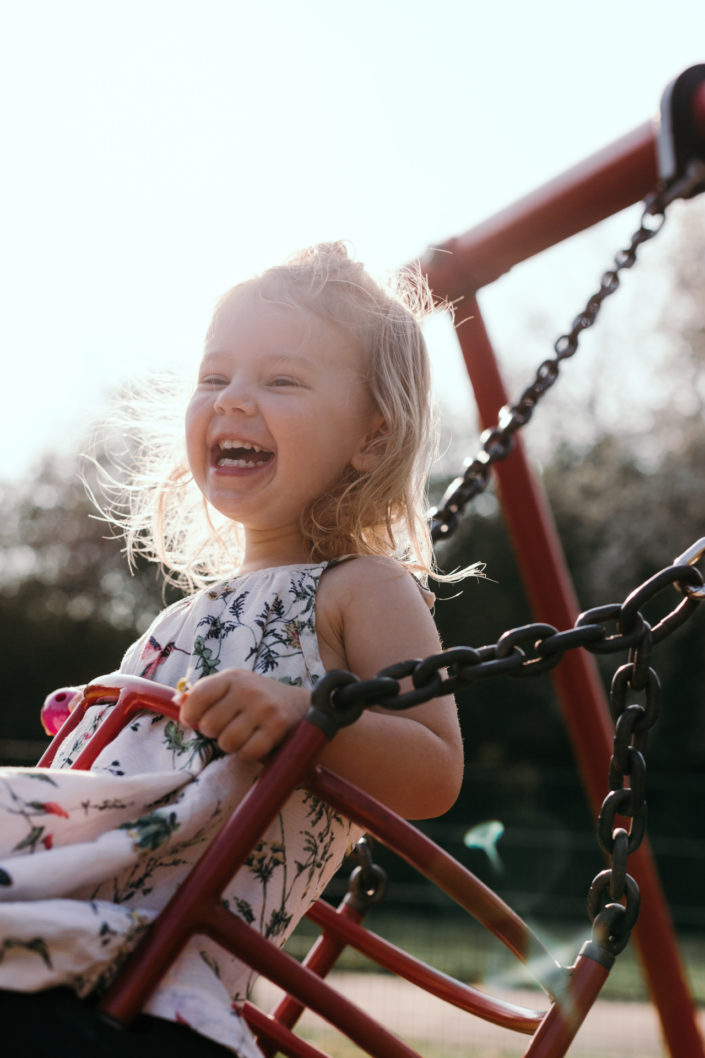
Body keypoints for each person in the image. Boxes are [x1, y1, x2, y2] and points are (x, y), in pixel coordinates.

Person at [0, 242, 477, 1056]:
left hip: (156, 979)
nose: (233, 402)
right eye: (214, 378)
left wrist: (306, 715)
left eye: (281, 381)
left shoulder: (361, 588)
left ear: (371, 437)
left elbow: (434, 770)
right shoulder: (177, 620)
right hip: (67, 924)